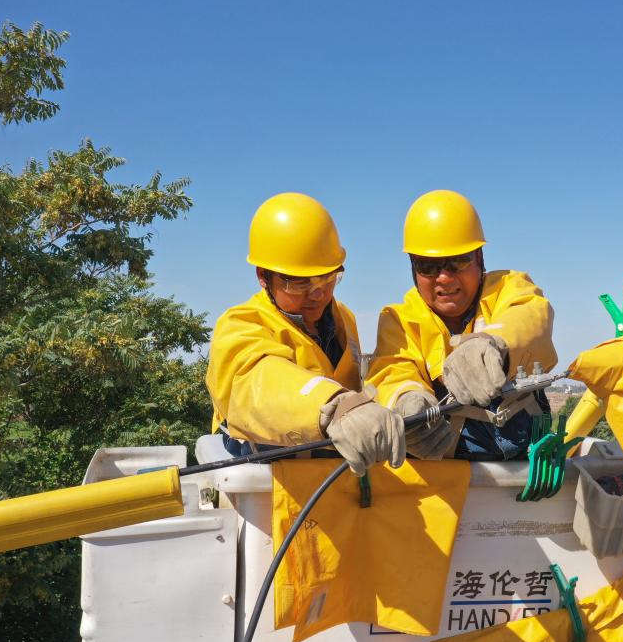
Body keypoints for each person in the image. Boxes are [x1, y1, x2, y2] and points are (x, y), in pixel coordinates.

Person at [205, 192, 404, 476]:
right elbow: (257, 382)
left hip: (333, 468)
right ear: (263, 277)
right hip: (267, 464)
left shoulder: (343, 318)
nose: (318, 293)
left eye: (329, 277)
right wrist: (333, 407)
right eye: (300, 283)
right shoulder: (241, 323)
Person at [367, 189, 557, 461]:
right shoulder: (400, 320)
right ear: (413, 269)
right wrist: (406, 399)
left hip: (530, 461)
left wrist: (495, 343)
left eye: (458, 262)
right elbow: (393, 371)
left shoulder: (509, 288)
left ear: (479, 259)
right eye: (428, 266)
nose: (444, 278)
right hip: (452, 469)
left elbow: (529, 318)